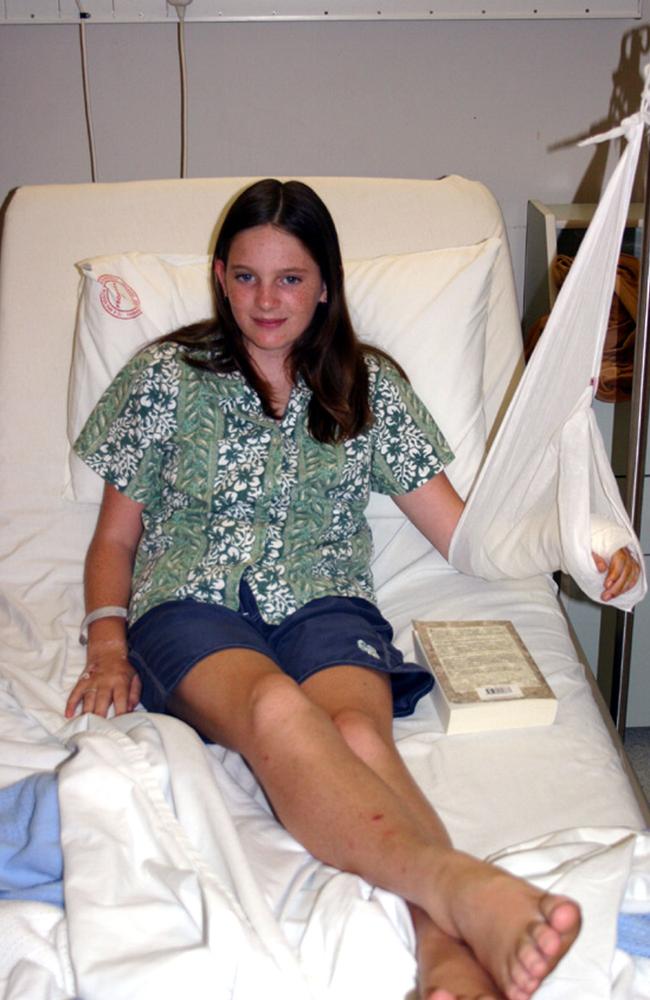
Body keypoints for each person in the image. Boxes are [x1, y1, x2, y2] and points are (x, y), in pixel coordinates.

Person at [66, 179, 640, 1000]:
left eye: (290, 278)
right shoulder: (166, 378)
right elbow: (115, 537)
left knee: (359, 738)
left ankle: (441, 952)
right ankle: (464, 894)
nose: (267, 300)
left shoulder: (369, 387)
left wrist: (579, 545)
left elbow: (467, 536)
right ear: (220, 275)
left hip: (327, 605)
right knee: (276, 711)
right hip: (189, 607)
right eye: (247, 276)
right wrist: (106, 643)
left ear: (325, 283)